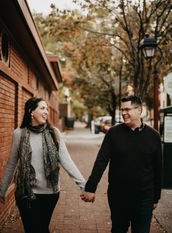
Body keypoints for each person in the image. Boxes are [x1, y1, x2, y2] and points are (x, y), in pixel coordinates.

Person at [0, 97, 86, 233]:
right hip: (25, 193)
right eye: (42, 108)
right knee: (31, 229)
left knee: (42, 228)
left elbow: (67, 161)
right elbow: (12, 163)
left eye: (47, 108)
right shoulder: (19, 134)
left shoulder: (54, 133)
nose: (46, 112)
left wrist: (84, 185)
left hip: (50, 193)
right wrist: (2, 189)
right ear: (31, 111)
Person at [81, 95, 162, 233]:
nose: (123, 113)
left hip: (144, 197)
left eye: (127, 109)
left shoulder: (153, 136)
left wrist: (156, 197)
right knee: (118, 229)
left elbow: (158, 169)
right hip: (118, 196)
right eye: (122, 110)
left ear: (139, 110)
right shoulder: (113, 133)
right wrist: (90, 187)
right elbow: (101, 160)